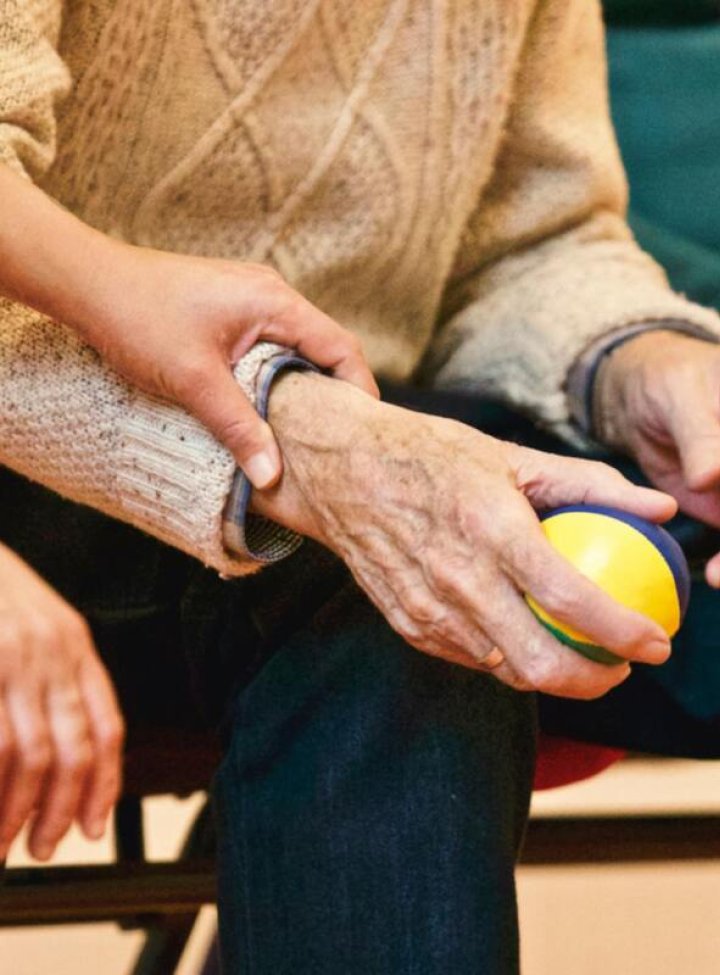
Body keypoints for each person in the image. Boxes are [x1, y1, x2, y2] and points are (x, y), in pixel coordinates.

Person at [2, 1, 720, 970]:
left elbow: (531, 240)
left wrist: (643, 363)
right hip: (49, 450)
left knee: (426, 542)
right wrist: (311, 443)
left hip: (384, 434)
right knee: (404, 584)